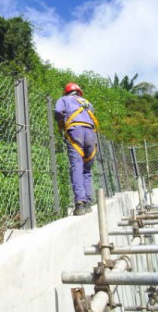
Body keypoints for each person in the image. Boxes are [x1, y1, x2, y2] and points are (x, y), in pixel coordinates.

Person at [54, 82, 99, 216]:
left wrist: (61, 123)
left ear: (66, 92)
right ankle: (88, 203)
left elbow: (58, 111)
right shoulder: (87, 103)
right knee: (87, 170)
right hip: (91, 134)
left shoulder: (64, 99)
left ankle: (80, 204)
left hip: (75, 132)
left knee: (76, 167)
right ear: (79, 92)